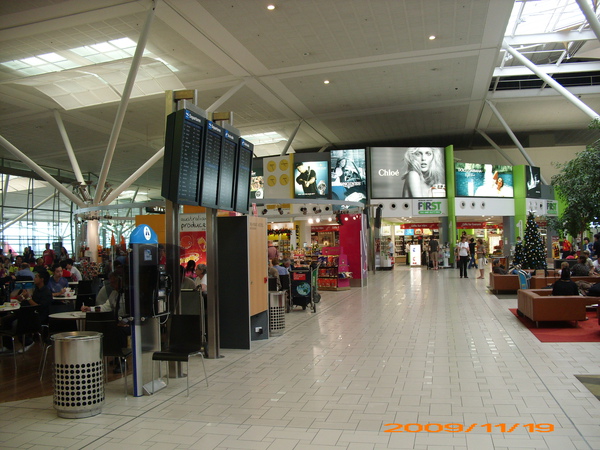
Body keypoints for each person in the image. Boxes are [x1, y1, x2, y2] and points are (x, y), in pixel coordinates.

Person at [1, 270, 52, 353]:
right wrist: (23, 299)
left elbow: (37, 307)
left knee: (20, 321)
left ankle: (28, 341)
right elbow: (31, 302)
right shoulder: (37, 290)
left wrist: (28, 298)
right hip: (30, 313)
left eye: (36, 277)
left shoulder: (46, 292)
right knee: (6, 319)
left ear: (42, 279)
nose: (34, 279)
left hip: (39, 316)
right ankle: (8, 346)